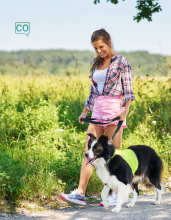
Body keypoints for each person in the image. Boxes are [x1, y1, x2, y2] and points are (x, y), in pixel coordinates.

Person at [59, 28, 135, 206]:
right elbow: (93, 91)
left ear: (109, 42)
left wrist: (125, 111)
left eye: (101, 46)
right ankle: (80, 193)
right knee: (89, 150)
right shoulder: (96, 63)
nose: (99, 51)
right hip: (98, 109)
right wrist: (85, 110)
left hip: (113, 109)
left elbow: (129, 91)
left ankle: (117, 193)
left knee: (113, 153)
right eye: (95, 48)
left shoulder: (122, 62)